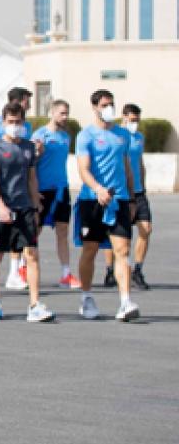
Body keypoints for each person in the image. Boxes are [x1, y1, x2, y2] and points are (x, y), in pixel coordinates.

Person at [74, 89, 140, 321]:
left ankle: (125, 302)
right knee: (90, 250)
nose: (109, 108)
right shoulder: (86, 136)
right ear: (94, 107)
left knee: (122, 251)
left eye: (111, 104)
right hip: (92, 201)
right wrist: (98, 189)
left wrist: (132, 198)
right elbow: (83, 169)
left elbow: (128, 168)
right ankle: (86, 297)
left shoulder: (123, 135)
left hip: (119, 199)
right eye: (104, 105)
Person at [0, 103, 53, 322]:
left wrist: (36, 205)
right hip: (1, 209)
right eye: (10, 122)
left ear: (24, 123)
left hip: (24, 208)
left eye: (18, 122)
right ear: (3, 122)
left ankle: (34, 304)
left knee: (31, 254)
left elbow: (32, 178)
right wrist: (1, 206)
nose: (14, 126)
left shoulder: (28, 148)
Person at [0, 87, 34, 291]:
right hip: (0, 197)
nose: (15, 126)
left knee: (28, 249)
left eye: (17, 122)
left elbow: (29, 170)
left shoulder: (26, 130)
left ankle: (17, 277)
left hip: (22, 199)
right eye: (27, 101)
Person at [33, 100, 79, 288]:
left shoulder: (66, 137)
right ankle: (23, 267)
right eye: (62, 113)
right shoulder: (39, 135)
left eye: (67, 113)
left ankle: (66, 274)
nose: (65, 117)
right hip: (43, 190)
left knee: (62, 231)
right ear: (52, 113)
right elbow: (31, 163)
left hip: (61, 189)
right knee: (35, 230)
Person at [121, 104, 152, 290]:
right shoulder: (118, 136)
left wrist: (143, 185)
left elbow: (140, 162)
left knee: (146, 229)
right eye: (132, 120)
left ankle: (137, 270)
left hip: (139, 191)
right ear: (124, 118)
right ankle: (111, 271)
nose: (135, 124)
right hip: (122, 192)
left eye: (137, 121)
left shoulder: (139, 138)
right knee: (120, 237)